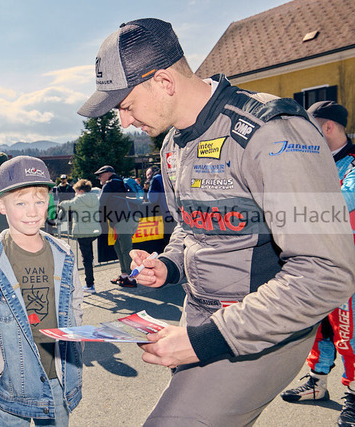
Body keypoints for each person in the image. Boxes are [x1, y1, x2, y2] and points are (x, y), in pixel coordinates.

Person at [78, 18, 355, 426]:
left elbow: (327, 273)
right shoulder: (172, 145)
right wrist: (168, 265)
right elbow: (190, 228)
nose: (124, 121)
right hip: (199, 320)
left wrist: (207, 339)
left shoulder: (273, 131)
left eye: (126, 105)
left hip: (259, 328)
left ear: (163, 82)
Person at [0, 156, 84, 426]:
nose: (32, 212)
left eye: (40, 201)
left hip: (58, 379)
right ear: (1, 205)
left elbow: (74, 302)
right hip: (12, 386)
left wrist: (76, 346)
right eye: (21, 203)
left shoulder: (63, 254)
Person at [280, 101, 355, 425]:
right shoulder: (312, 162)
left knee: (348, 332)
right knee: (318, 327)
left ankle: (354, 394)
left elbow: (345, 200)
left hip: (346, 264)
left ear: (328, 127)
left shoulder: (353, 162)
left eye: (309, 129)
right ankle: (317, 382)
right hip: (313, 262)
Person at [95, 165, 137, 288]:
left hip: (122, 220)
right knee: (118, 246)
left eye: (100, 175)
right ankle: (124, 274)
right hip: (129, 218)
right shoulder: (121, 182)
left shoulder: (109, 185)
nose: (99, 178)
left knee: (125, 249)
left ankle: (131, 278)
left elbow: (101, 203)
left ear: (108, 173)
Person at [58, 179, 100, 294]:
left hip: (83, 232)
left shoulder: (80, 199)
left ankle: (90, 284)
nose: (75, 193)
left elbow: (67, 205)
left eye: (76, 191)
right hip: (94, 230)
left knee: (86, 259)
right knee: (89, 255)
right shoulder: (95, 198)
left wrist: (60, 204)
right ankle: (91, 268)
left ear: (81, 190)